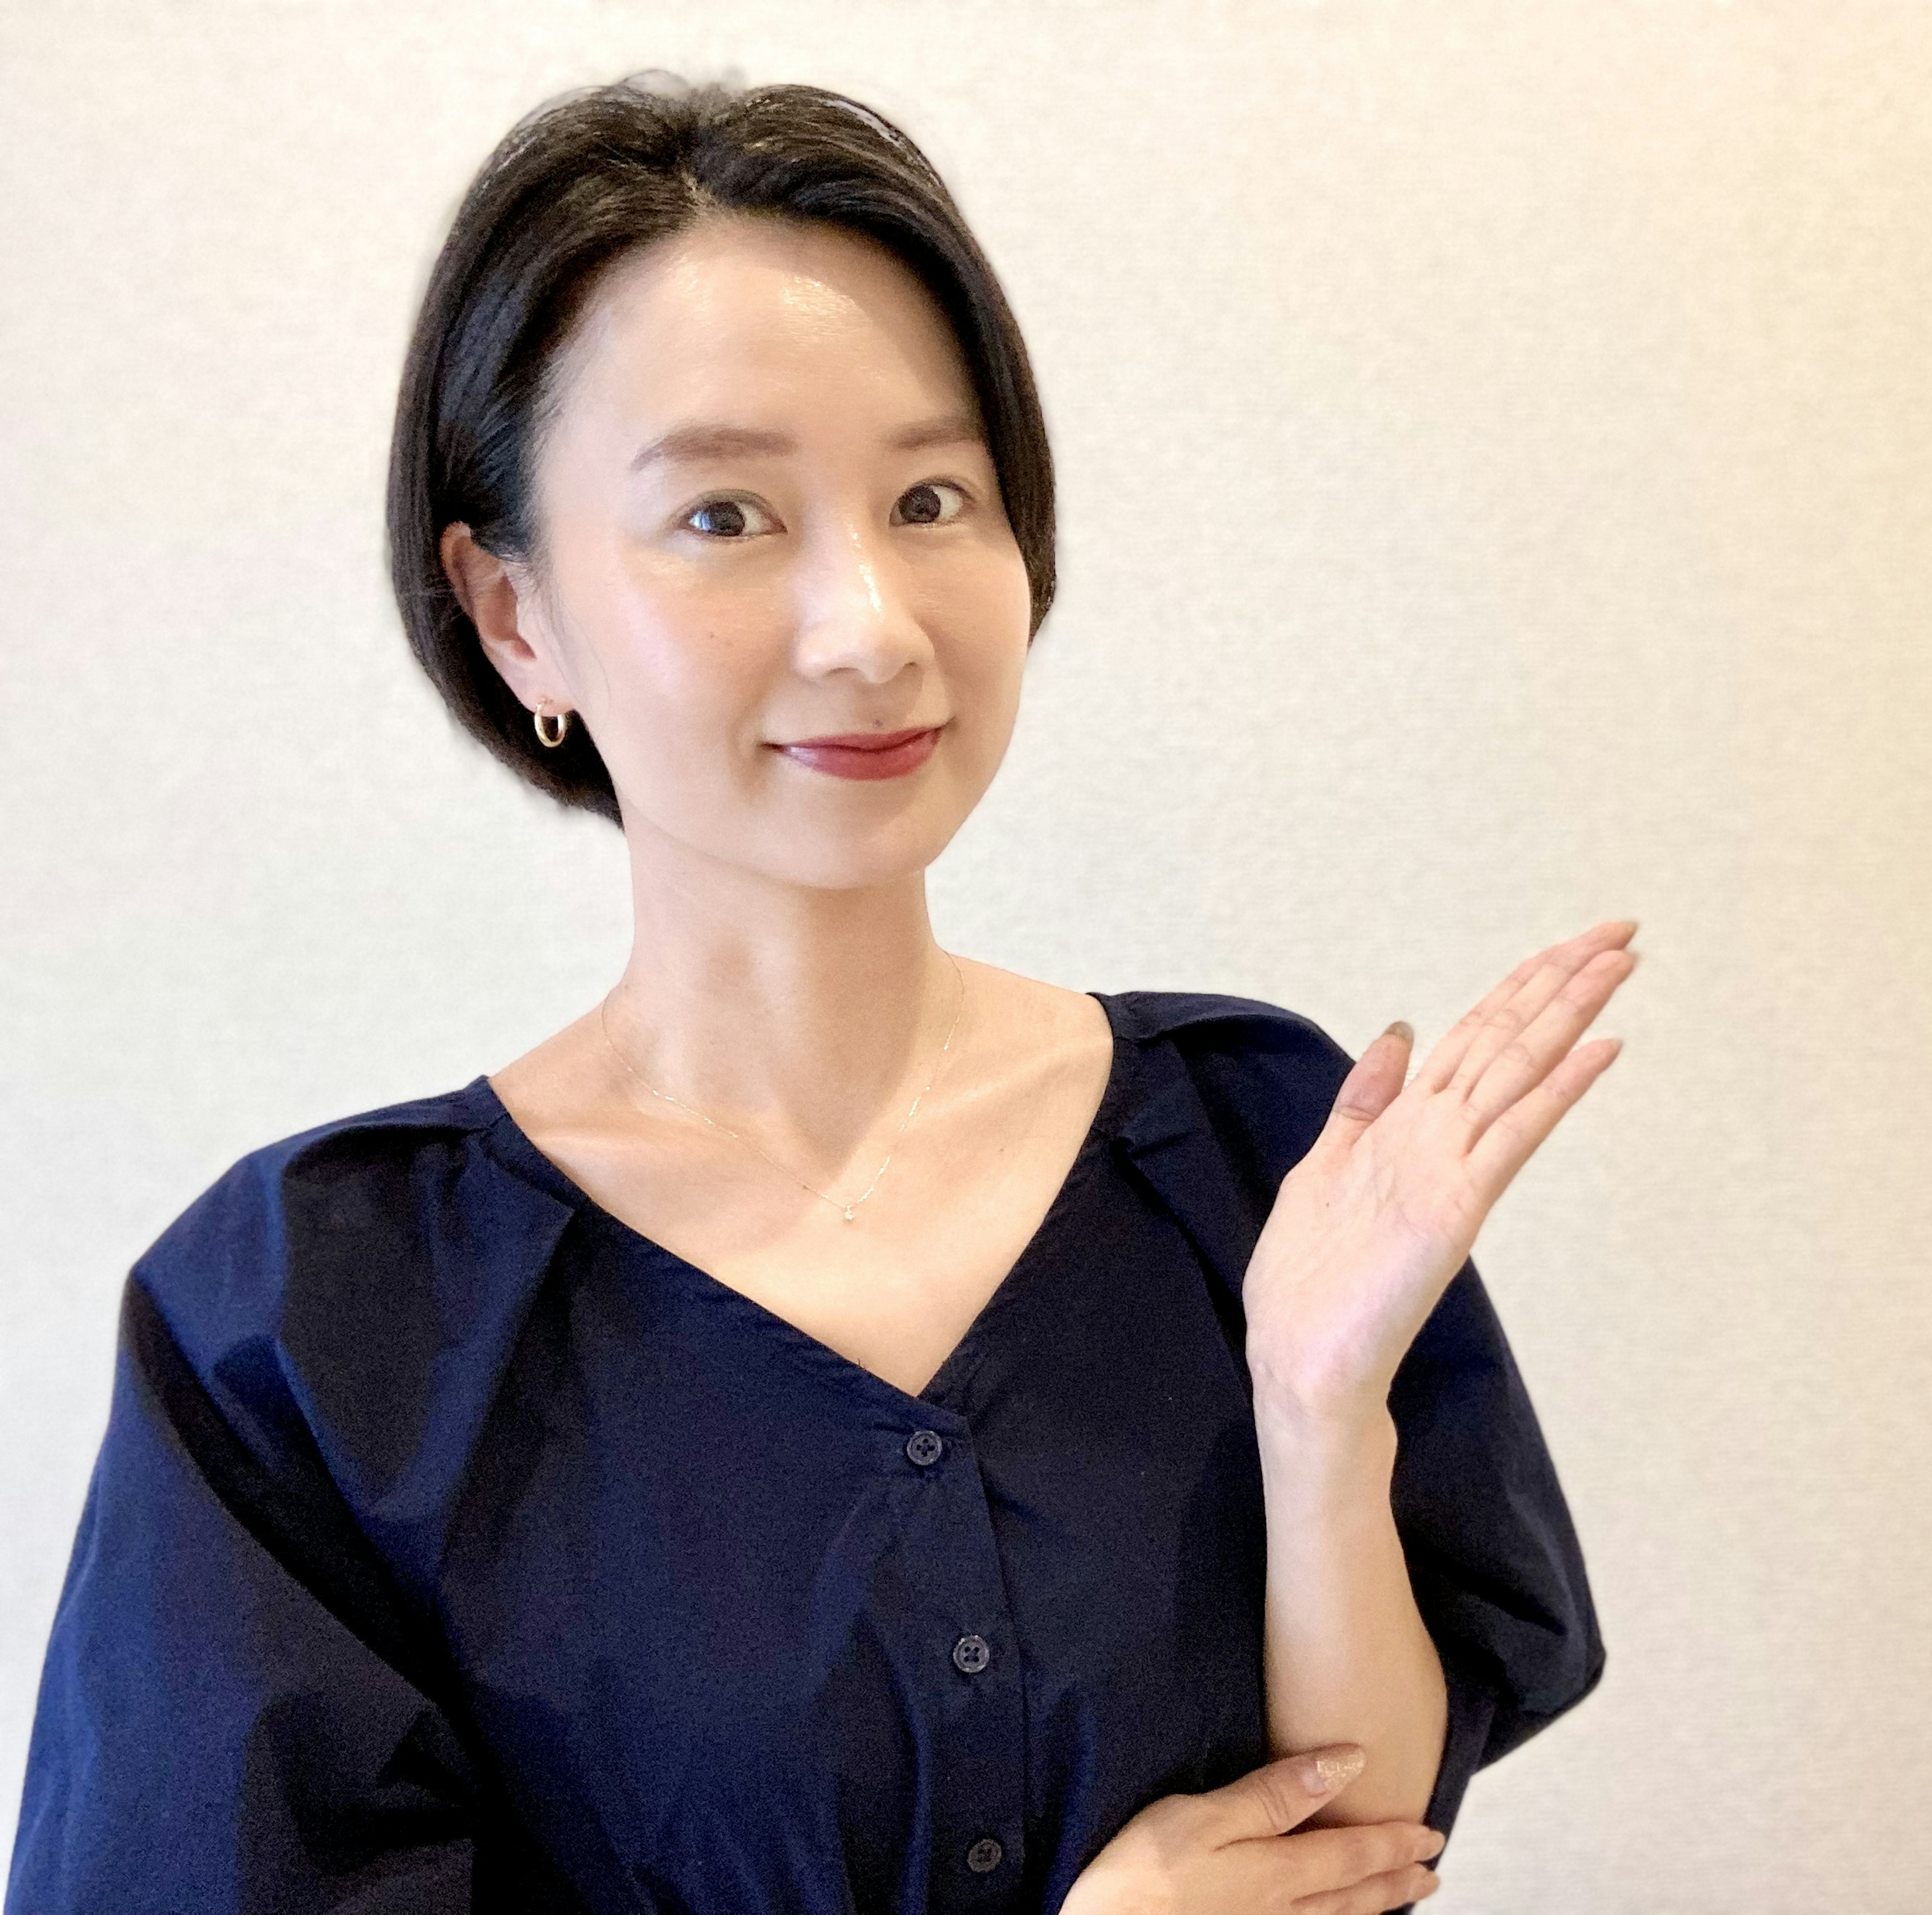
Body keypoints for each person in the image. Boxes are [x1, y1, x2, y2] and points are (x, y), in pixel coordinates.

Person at [6, 71, 1631, 1915]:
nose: (870, 622)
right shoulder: (315, 1329)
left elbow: (1354, 1852)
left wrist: (1319, 1412)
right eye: (725, 517)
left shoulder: (1250, 1144)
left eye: (933, 495)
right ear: (514, 610)